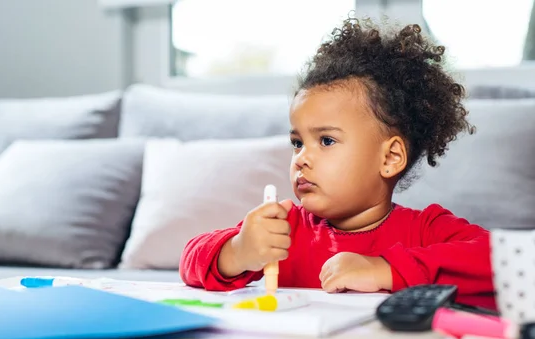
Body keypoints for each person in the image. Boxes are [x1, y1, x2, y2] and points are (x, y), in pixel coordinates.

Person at [179, 17, 493, 299]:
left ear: (390, 157)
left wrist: (386, 270)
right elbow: (189, 260)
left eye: (326, 140)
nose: (301, 158)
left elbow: (502, 260)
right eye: (297, 142)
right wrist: (237, 252)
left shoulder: (426, 230)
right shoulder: (284, 228)